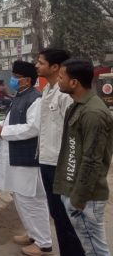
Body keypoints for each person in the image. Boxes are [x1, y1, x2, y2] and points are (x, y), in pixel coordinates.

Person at [0, 60, 52, 256]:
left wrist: (5, 131)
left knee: (32, 200)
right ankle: (33, 235)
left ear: (26, 80)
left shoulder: (35, 98)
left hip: (28, 159)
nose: (12, 80)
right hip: (16, 157)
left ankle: (44, 243)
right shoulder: (20, 96)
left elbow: (33, 128)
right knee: (21, 198)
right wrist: (2, 125)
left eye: (16, 77)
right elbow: (14, 121)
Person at [55, 59, 113, 256]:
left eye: (61, 77)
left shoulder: (93, 113)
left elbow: (92, 159)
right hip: (75, 191)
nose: (58, 81)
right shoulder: (78, 106)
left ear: (74, 83)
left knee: (95, 250)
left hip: (85, 197)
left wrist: (77, 200)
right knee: (90, 247)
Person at [35, 49, 85, 256]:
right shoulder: (48, 91)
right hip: (47, 161)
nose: (36, 65)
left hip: (61, 164)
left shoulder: (66, 95)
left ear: (55, 67)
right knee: (58, 215)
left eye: (40, 62)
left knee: (68, 219)